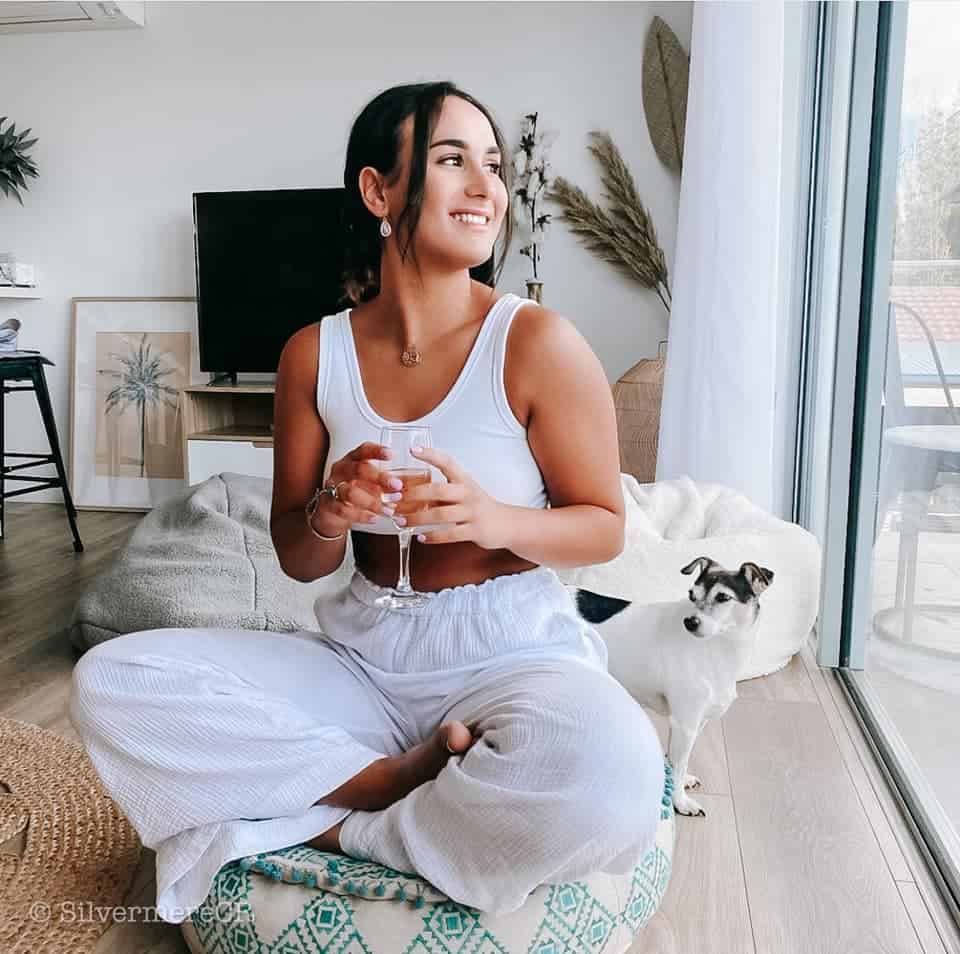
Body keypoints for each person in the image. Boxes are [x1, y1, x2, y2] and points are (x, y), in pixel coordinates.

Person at [69, 81, 665, 924]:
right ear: (379, 191)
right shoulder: (314, 355)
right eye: (452, 159)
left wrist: (487, 518)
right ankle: (388, 783)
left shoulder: (537, 342)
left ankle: (350, 830)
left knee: (614, 777)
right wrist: (330, 512)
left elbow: (603, 528)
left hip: (510, 653)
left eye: (492, 165)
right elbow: (299, 556)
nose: (485, 186)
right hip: (363, 657)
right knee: (110, 679)